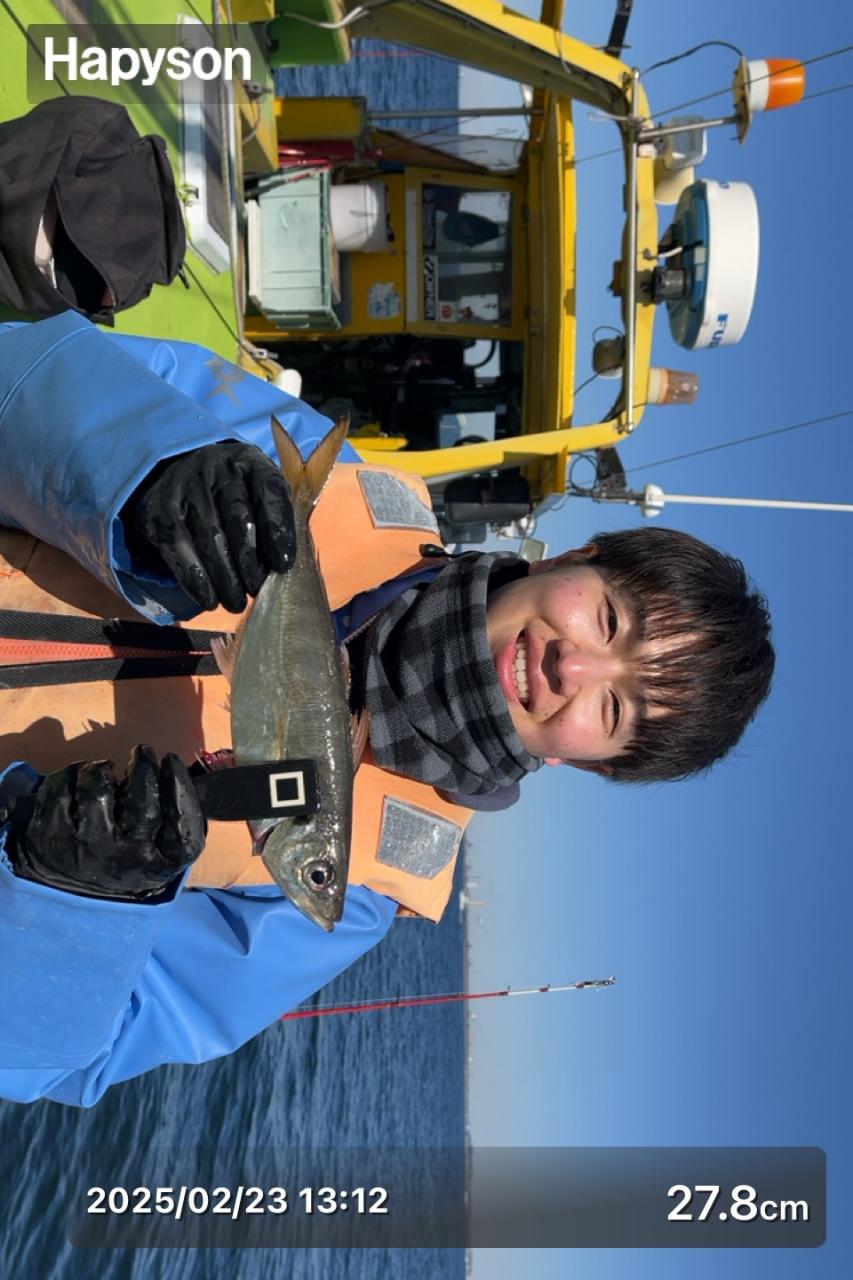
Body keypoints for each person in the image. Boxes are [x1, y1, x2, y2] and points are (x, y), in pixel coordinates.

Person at [0, 314, 774, 1106]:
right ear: (581, 556)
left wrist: (74, 903)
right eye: (608, 620)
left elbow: (49, 1058)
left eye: (612, 708)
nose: (569, 667)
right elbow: (19, 360)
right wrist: (141, 463)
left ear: (585, 763)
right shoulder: (340, 482)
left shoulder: (360, 894)